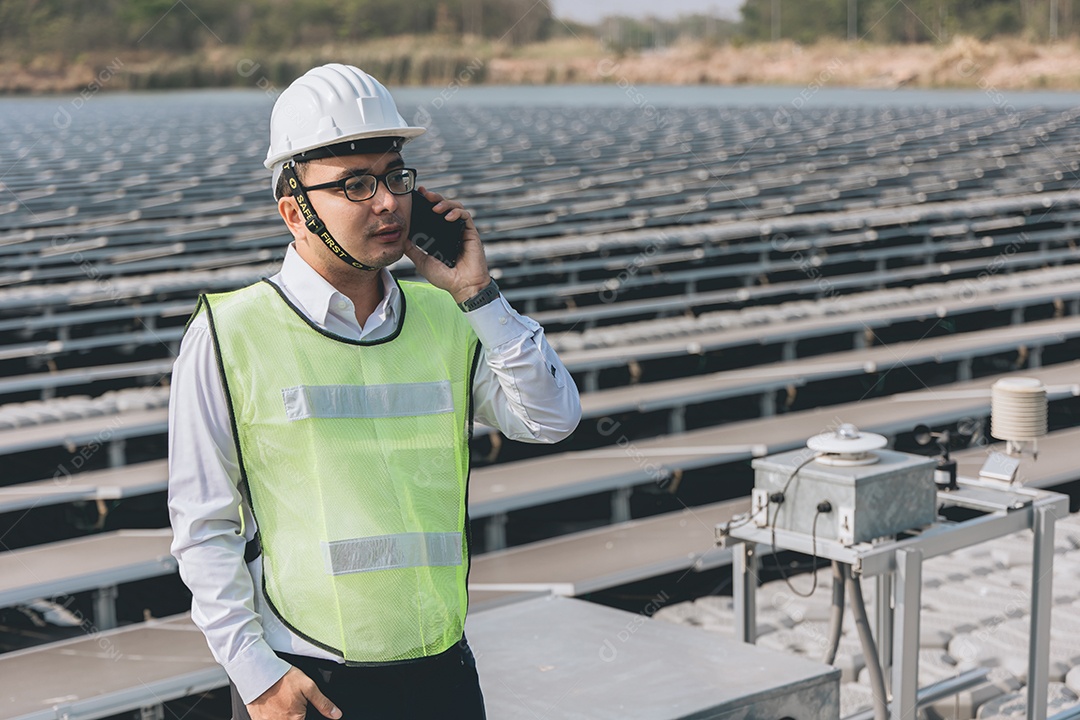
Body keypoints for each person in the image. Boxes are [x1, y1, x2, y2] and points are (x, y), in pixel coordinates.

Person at [167, 63, 581, 720]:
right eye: (356, 185)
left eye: (395, 177)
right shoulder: (229, 332)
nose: (387, 201)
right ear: (293, 211)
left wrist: (480, 294)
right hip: (308, 680)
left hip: (442, 671)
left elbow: (553, 419)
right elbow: (202, 527)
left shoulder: (450, 316)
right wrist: (257, 678)